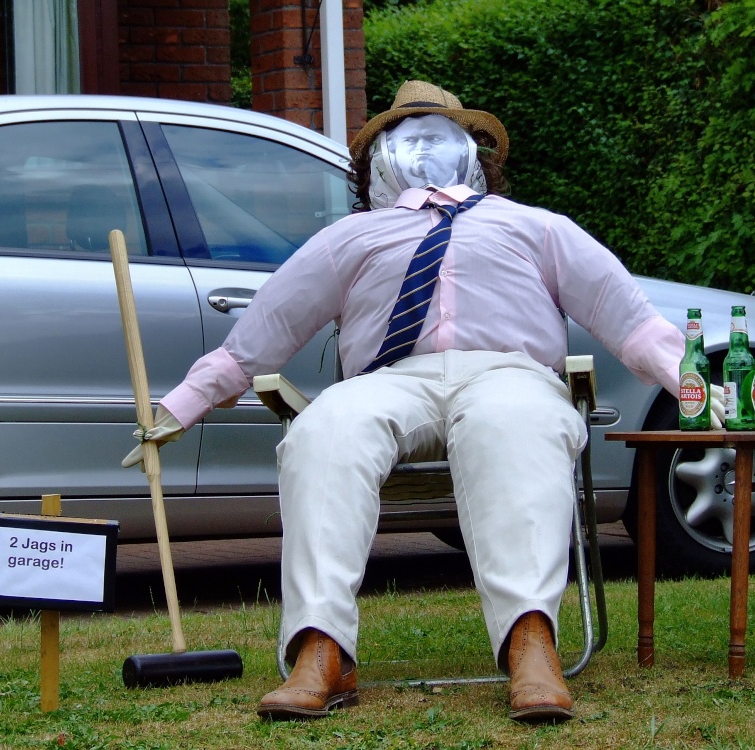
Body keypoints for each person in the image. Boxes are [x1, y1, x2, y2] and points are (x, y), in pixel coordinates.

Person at [124, 80, 716, 723]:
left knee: (513, 422)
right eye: (404, 135)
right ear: (375, 160)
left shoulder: (534, 227)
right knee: (325, 430)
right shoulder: (350, 238)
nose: (423, 144)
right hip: (388, 380)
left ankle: (530, 642)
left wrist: (692, 387)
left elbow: (629, 320)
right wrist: (181, 404)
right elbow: (256, 341)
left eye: (440, 132)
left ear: (473, 151)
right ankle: (321, 648)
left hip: (507, 372)